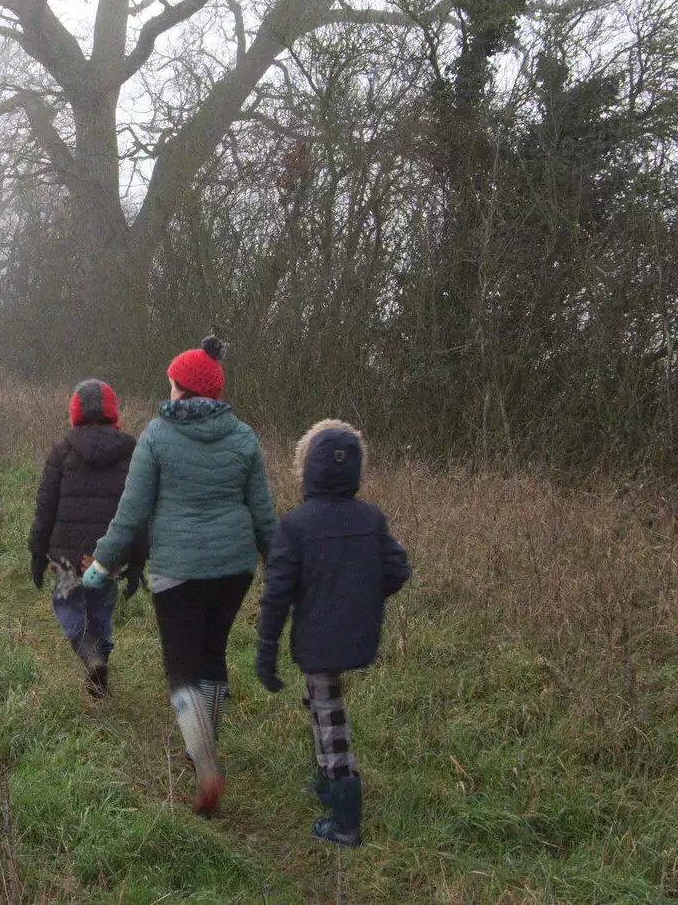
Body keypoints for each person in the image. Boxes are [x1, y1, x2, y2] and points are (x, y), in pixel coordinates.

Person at [82, 336, 276, 815]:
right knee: (212, 655)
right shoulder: (244, 436)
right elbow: (264, 515)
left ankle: (205, 766)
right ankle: (200, 748)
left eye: (171, 384)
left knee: (181, 668)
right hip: (234, 569)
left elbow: (132, 512)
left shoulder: (157, 436)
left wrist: (104, 562)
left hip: (179, 570)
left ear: (182, 388)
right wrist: (282, 563)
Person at [253, 420, 411, 847]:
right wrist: (362, 593)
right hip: (359, 635)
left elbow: (276, 597)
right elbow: (398, 569)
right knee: (319, 703)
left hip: (320, 639)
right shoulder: (370, 518)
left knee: (330, 719)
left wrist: (265, 654)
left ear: (306, 470)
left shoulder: (295, 525)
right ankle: (325, 783)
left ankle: (345, 821)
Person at [28, 379, 146, 699]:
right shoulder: (132, 450)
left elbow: (45, 507)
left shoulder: (62, 450)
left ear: (74, 412)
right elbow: (139, 510)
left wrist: (38, 555)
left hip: (67, 557)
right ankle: (100, 660)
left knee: (67, 605)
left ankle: (91, 657)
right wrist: (137, 562)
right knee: (100, 610)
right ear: (112, 410)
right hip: (109, 556)